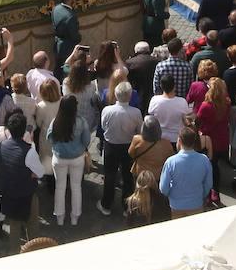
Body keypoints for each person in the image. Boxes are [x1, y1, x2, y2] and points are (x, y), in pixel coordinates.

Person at [0, 111, 45, 247]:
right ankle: (33, 251)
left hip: (9, 194)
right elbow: (40, 173)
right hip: (27, 195)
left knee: (14, 227)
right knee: (32, 227)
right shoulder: (29, 151)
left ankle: (14, 254)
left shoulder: (3, 145)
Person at [47, 94, 92, 226]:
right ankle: (75, 216)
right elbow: (87, 140)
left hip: (59, 158)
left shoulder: (55, 121)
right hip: (77, 158)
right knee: (76, 187)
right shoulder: (81, 121)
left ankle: (59, 217)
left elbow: (49, 138)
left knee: (60, 187)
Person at [100, 81, 142, 215]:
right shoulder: (136, 112)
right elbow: (139, 130)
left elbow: (103, 126)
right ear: (130, 96)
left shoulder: (107, 110)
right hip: (128, 146)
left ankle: (106, 205)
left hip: (111, 146)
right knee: (127, 177)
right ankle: (126, 207)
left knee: (109, 175)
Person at [159, 127, 213, 218]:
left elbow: (163, 188)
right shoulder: (204, 160)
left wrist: (171, 195)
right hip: (196, 203)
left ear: (179, 141)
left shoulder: (171, 162)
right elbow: (208, 184)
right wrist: (200, 195)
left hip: (176, 205)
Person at [148, 73, 193, 146]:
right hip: (177, 139)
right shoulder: (182, 101)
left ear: (161, 86)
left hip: (159, 138)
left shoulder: (154, 100)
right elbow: (186, 119)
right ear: (174, 86)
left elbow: (151, 117)